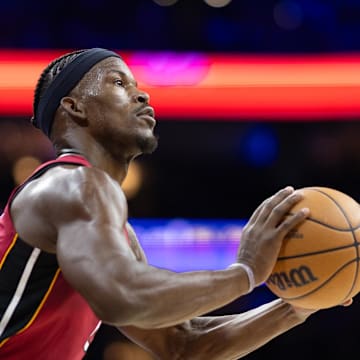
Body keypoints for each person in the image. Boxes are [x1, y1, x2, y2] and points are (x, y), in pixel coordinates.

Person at [0, 47, 350, 360]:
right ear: (74, 107)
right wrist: (245, 273)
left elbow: (185, 344)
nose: (142, 95)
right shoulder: (73, 183)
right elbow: (122, 297)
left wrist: (301, 303)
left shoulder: (100, 216)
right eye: (119, 84)